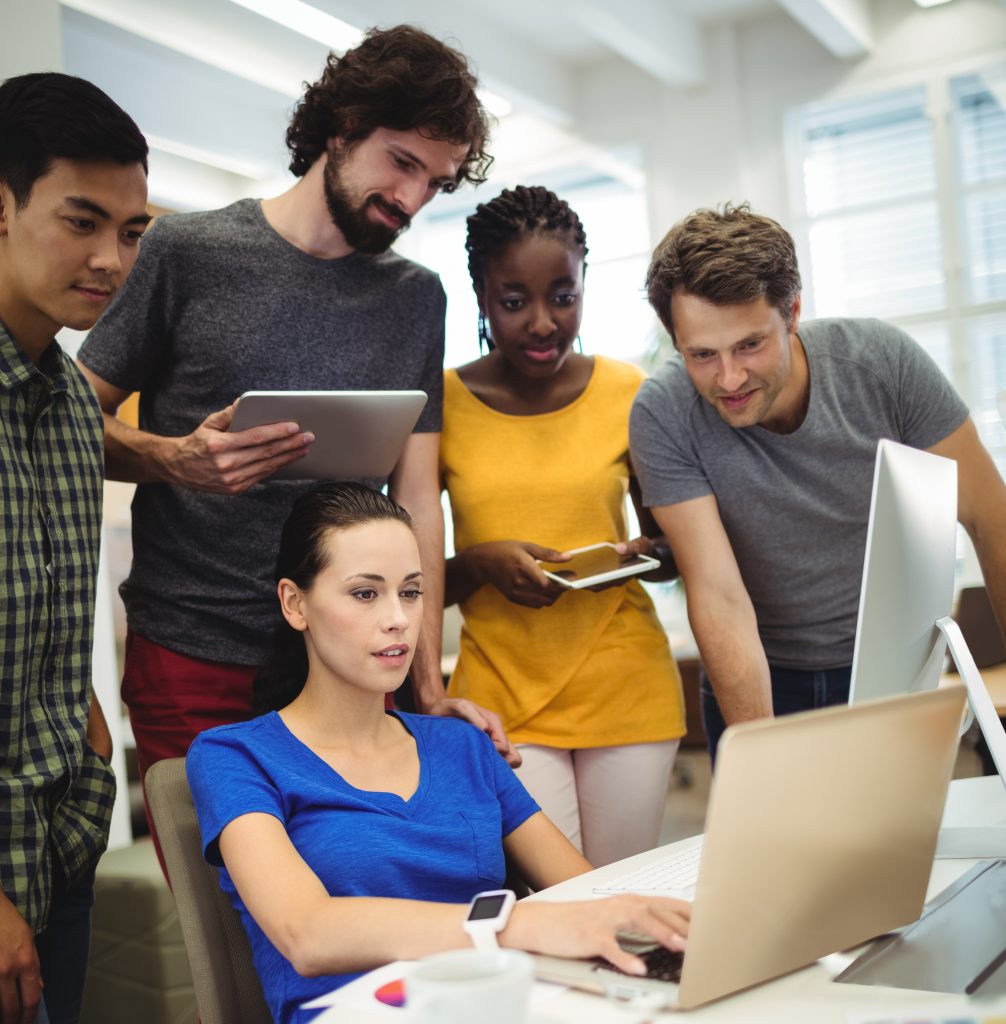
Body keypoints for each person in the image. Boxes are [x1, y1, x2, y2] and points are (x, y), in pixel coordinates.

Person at [76, 25, 517, 855]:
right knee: (232, 928)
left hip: (348, 661)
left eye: (437, 180)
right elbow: (70, 427)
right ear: (340, 128)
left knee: (357, 892)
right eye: (402, 162)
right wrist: (177, 459)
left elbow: (418, 499)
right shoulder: (187, 252)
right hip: (194, 652)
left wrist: (426, 686)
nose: (414, 198)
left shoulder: (415, 298)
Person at [186, 482, 691, 1024]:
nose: (399, 618)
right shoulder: (234, 757)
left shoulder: (461, 744)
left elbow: (579, 892)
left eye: (411, 592)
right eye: (364, 593)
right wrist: (513, 926)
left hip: (507, 1006)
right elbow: (306, 933)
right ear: (295, 603)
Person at [630, 203, 1006, 761]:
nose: (729, 378)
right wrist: (764, 758)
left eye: (750, 345)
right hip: (762, 677)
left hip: (892, 674)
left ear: (793, 312)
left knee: (898, 847)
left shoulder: (883, 365)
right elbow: (719, 596)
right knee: (777, 843)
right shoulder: (663, 414)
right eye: (702, 355)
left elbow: (989, 517)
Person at [439, 186, 687, 866]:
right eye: (514, 301)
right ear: (482, 297)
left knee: (622, 892)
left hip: (625, 680)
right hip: (499, 696)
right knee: (557, 897)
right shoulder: (443, 402)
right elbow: (415, 574)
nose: (543, 322)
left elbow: (676, 548)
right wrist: (485, 563)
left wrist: (644, 554)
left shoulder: (629, 389)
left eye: (563, 296)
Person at [0, 73, 150, 1024]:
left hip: (62, 834)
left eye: (132, 232)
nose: (110, 258)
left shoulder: (68, 400)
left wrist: (92, 744)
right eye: (82, 220)